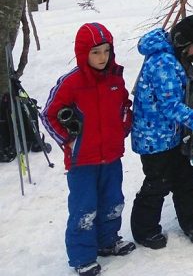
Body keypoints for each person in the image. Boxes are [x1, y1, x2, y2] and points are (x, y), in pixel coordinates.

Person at [40, 23, 135, 276]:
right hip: (82, 161)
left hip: (112, 156)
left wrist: (123, 126)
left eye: (106, 51)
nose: (102, 57)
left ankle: (107, 240)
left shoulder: (115, 78)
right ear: (83, 53)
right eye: (95, 53)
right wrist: (67, 140)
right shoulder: (71, 82)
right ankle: (82, 256)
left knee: (113, 201)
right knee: (85, 208)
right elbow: (48, 114)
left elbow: (124, 105)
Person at [129, 16, 193, 250]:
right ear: (183, 41)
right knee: (158, 183)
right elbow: (171, 105)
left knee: (184, 179)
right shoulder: (163, 62)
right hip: (153, 139)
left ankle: (192, 222)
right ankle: (145, 230)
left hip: (171, 135)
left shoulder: (174, 58)